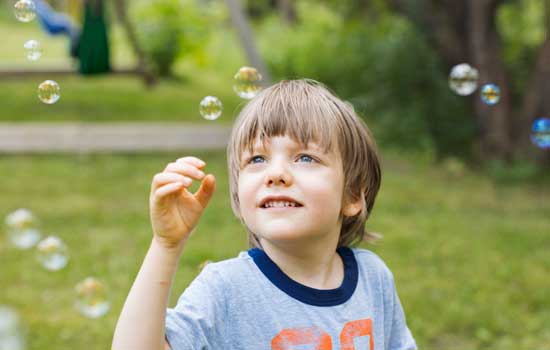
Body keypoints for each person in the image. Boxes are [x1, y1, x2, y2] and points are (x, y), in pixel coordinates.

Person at [112, 79, 417, 350]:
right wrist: (166, 246)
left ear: (351, 195)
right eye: (257, 158)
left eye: (305, 157)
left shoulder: (373, 279)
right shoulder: (227, 288)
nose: (276, 174)